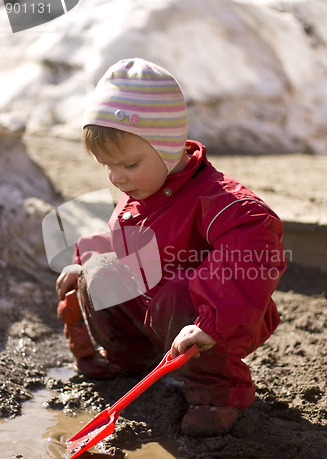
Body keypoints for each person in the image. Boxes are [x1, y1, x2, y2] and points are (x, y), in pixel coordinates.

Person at [56, 58, 286, 437]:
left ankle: (217, 390)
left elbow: (252, 248)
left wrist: (211, 322)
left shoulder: (219, 200)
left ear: (168, 146)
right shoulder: (142, 188)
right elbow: (127, 244)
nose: (116, 177)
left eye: (128, 163)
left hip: (220, 313)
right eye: (107, 166)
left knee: (179, 292)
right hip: (158, 308)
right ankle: (132, 360)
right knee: (100, 271)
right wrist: (85, 262)